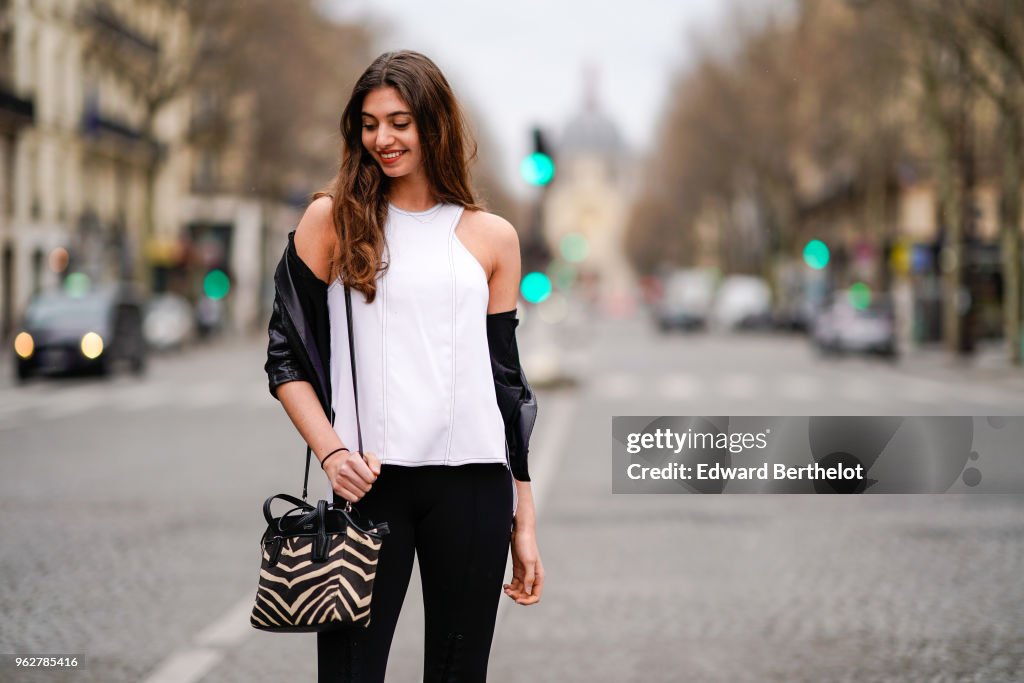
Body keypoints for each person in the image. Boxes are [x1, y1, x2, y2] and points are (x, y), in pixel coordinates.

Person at [264, 50, 543, 682]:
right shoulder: (332, 220)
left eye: (399, 121)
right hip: (368, 487)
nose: (382, 139)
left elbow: (508, 389)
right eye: (369, 124)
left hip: (474, 487)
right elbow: (284, 360)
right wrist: (334, 454)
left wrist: (523, 523)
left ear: (434, 125)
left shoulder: (491, 237)